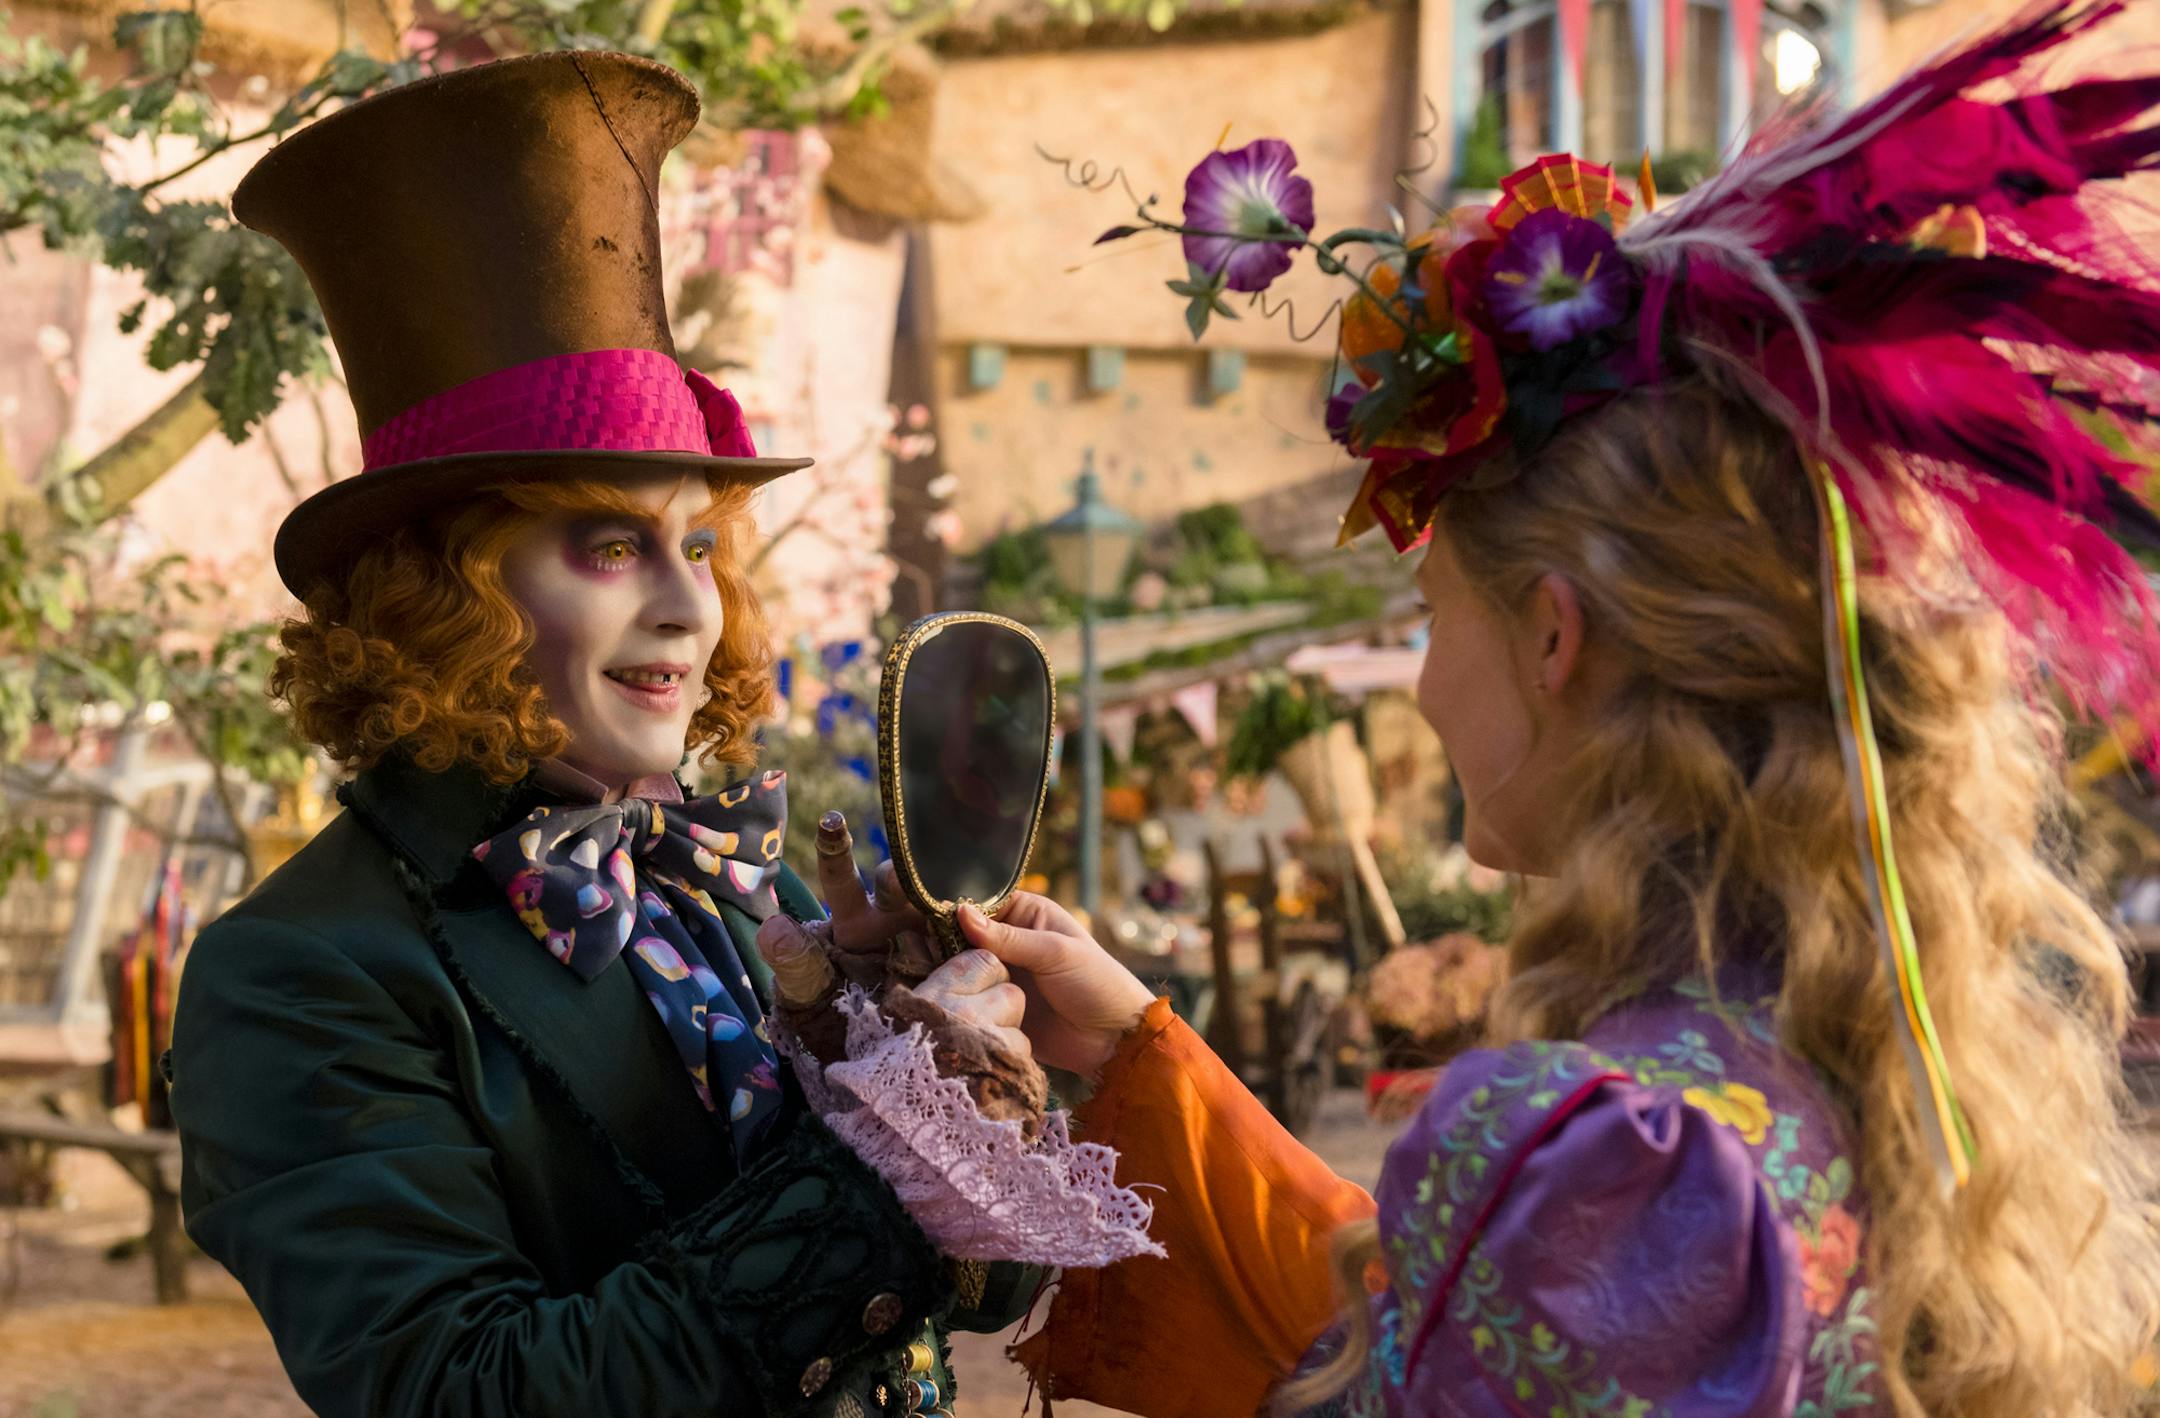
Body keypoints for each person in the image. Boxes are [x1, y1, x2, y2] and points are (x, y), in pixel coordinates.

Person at [784, 5, 2160, 1415]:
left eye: (1437, 616)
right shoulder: (1879, 1057)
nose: (1430, 683)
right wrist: (1143, 1041)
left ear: (1554, 635)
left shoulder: (1605, 1161)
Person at [167, 52, 1035, 1417]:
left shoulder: (733, 880)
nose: (691, 603)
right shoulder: (296, 970)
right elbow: (469, 1392)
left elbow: (973, 1292)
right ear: (439, 587)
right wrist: (876, 1153)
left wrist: (916, 1054)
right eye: (612, 545)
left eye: (698, 541)